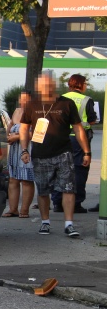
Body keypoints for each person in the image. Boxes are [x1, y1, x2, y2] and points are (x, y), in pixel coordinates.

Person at [20, 72, 91, 237]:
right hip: (40, 154)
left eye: (49, 84)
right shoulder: (32, 105)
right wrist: (25, 149)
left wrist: (86, 152)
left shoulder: (67, 104)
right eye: (43, 85)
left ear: (54, 85)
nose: (47, 88)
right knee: (43, 191)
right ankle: (45, 222)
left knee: (68, 188)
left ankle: (69, 224)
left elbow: (78, 129)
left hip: (64, 153)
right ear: (38, 87)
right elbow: (24, 127)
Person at [50, 74, 97, 214]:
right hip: (79, 139)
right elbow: (92, 120)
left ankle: (58, 202)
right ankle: (75, 203)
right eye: (85, 83)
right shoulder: (86, 100)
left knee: (60, 170)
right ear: (81, 84)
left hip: (61, 137)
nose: (86, 86)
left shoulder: (59, 98)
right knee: (79, 170)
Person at [2, 90, 35, 218]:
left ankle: (24, 210)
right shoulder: (16, 111)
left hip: (28, 149)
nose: (23, 101)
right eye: (21, 99)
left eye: (26, 99)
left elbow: (36, 133)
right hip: (14, 151)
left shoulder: (34, 112)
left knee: (26, 180)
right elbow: (9, 127)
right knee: (13, 180)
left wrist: (17, 137)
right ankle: (13, 209)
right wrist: (8, 136)